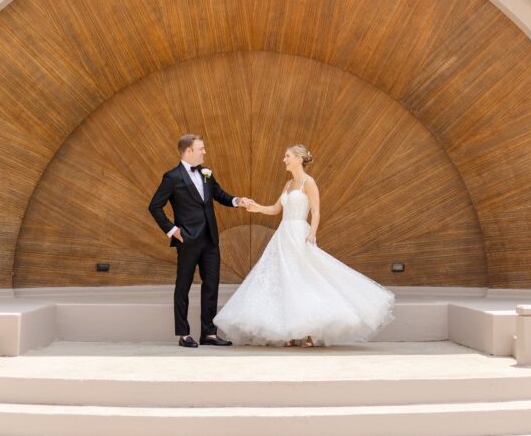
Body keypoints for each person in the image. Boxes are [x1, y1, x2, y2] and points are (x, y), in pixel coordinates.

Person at [214, 145, 395, 347]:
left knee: (304, 278)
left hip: (299, 233)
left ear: (299, 159)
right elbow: (276, 209)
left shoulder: (309, 183)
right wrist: (257, 208)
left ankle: (309, 334)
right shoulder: (288, 184)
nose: (284, 159)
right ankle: (290, 333)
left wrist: (312, 233)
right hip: (283, 235)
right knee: (285, 280)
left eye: (287, 156)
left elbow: (316, 211)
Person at [148, 134, 250, 347]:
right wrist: (172, 230)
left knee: (211, 284)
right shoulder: (172, 177)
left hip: (210, 239)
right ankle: (183, 334)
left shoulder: (207, 173)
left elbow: (220, 195)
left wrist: (237, 200)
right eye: (201, 148)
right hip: (187, 239)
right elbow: (155, 206)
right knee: (183, 285)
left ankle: (209, 333)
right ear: (188, 151)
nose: (204, 152)